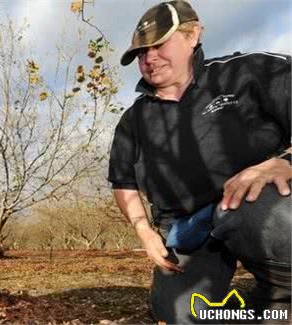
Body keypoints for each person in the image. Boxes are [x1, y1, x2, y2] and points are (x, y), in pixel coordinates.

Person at [108, 0, 291, 323]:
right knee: (184, 312)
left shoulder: (251, 72)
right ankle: (267, 311)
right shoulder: (132, 121)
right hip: (188, 232)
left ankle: (283, 289)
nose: (149, 58)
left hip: (258, 206)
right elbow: (123, 183)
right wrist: (145, 232)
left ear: (193, 35)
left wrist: (285, 162)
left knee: (253, 209)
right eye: (140, 53)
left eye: (159, 44)